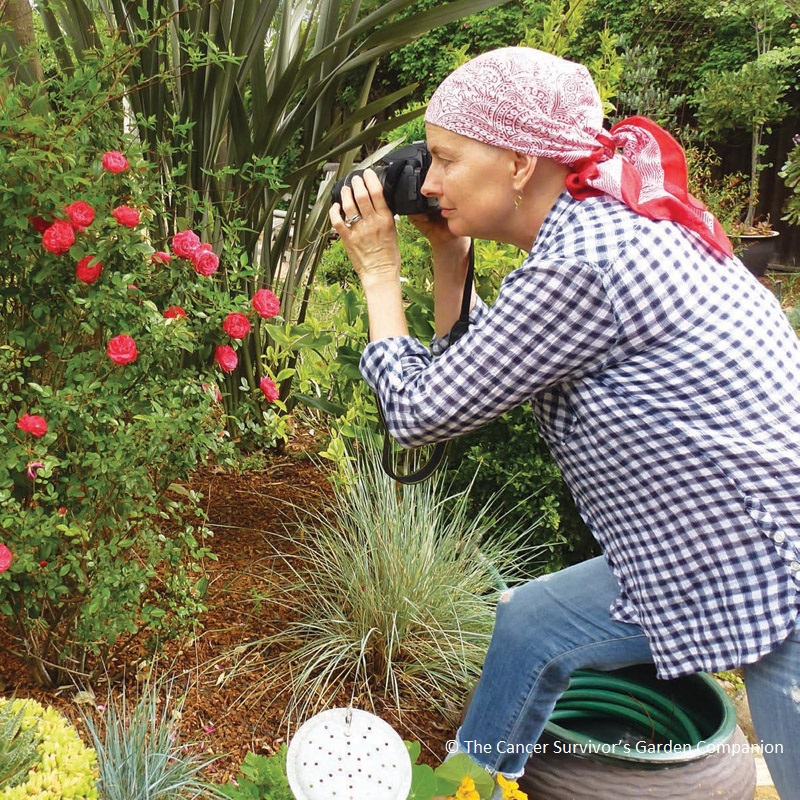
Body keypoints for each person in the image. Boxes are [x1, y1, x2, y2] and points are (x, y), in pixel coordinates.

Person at [328, 47, 800, 799]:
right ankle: (470, 784)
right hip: (705, 543)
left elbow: (418, 413)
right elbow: (478, 374)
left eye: (447, 159)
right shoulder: (605, 215)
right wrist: (451, 262)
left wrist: (381, 272)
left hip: (772, 556)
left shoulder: (588, 260)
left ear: (519, 163)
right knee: (532, 624)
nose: (434, 180)